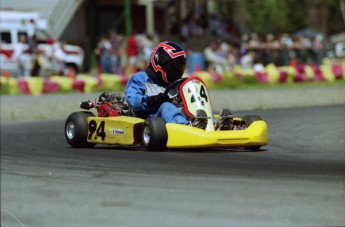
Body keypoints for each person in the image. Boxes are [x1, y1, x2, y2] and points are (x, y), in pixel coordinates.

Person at [125, 41, 232, 130]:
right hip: (152, 117)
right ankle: (186, 127)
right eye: (174, 67)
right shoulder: (141, 78)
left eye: (180, 68)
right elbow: (133, 100)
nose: (177, 71)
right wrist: (152, 100)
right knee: (166, 106)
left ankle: (214, 125)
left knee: (194, 108)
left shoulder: (177, 83)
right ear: (158, 64)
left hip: (172, 116)